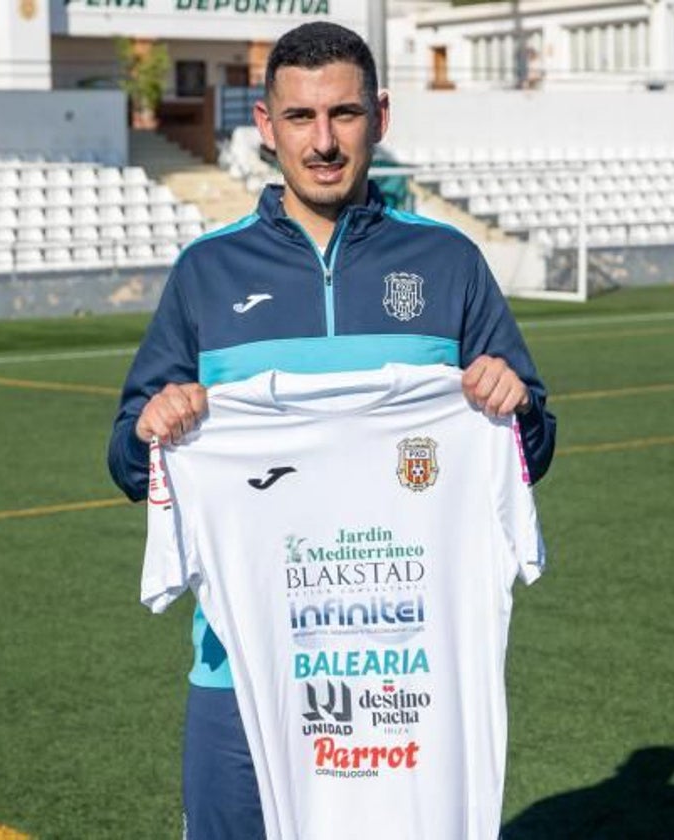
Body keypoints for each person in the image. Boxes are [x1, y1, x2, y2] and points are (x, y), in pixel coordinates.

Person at [108, 21, 557, 839]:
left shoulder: (448, 262)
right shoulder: (208, 273)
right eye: (302, 117)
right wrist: (151, 429)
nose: (323, 142)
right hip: (240, 671)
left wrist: (515, 404)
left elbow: (532, 446)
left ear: (379, 117)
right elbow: (127, 457)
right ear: (265, 123)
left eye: (344, 115)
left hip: (405, 676)